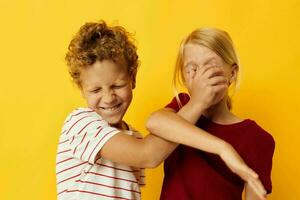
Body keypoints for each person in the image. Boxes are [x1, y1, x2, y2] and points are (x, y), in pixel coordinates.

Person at [56, 21, 266, 200]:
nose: (109, 97)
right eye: (95, 89)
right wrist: (223, 147)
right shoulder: (80, 123)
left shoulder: (134, 137)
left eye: (118, 85)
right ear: (82, 89)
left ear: (133, 80)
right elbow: (150, 151)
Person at [146, 27, 275, 200]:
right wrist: (223, 148)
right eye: (192, 69)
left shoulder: (256, 138)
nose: (201, 77)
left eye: (210, 67)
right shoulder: (181, 109)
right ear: (184, 78)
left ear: (232, 73)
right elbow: (154, 122)